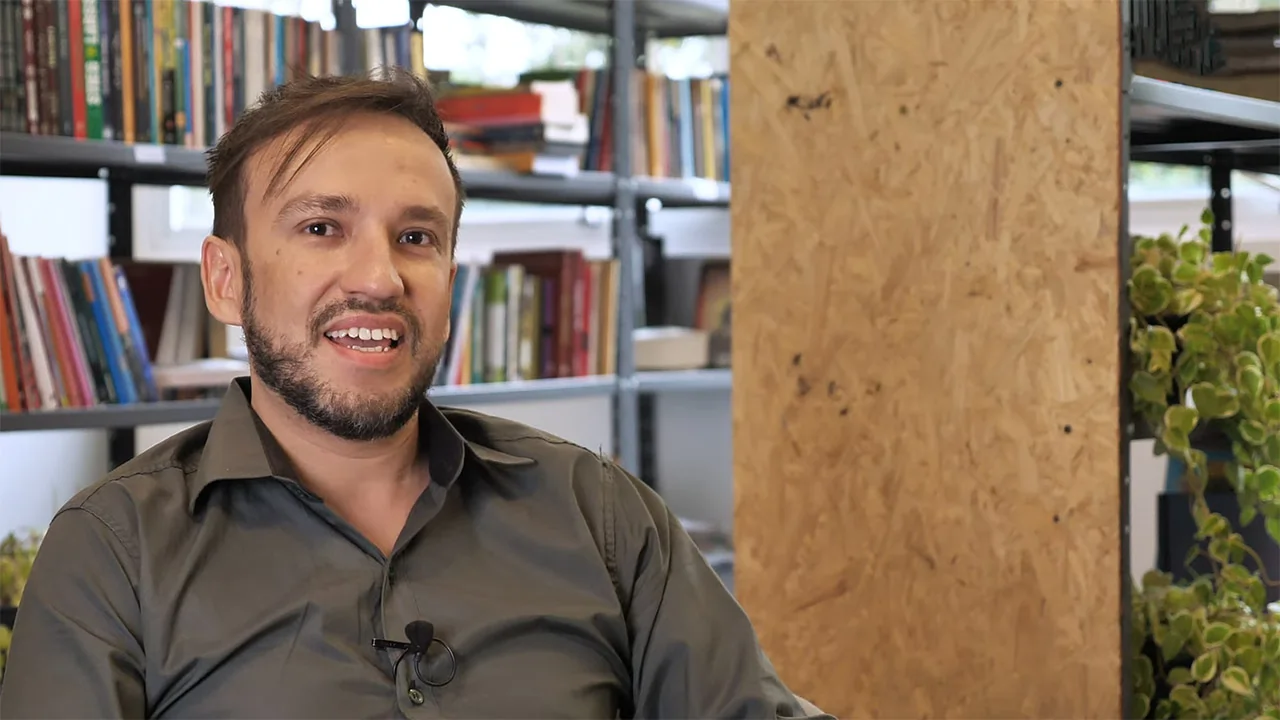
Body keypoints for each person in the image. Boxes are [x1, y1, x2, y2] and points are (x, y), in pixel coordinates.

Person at [0, 68, 831, 719]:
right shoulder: (115, 555)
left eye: (416, 237)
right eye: (321, 227)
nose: (379, 277)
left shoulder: (600, 515)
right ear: (225, 279)